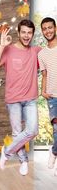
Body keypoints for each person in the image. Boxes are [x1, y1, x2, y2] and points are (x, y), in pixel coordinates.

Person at [0, 19, 41, 176]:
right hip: (13, 100)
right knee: (17, 133)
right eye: (24, 32)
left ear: (32, 34)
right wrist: (2, 46)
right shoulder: (9, 50)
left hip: (30, 99)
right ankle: (24, 161)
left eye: (29, 32)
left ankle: (6, 151)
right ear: (18, 33)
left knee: (32, 130)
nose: (26, 35)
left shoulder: (36, 51)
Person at [39, 17, 57, 176]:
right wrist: (42, 91)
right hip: (53, 96)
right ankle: (55, 151)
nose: (47, 31)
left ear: (55, 28)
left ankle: (54, 151)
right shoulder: (42, 54)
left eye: (50, 27)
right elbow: (44, 75)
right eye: (44, 29)